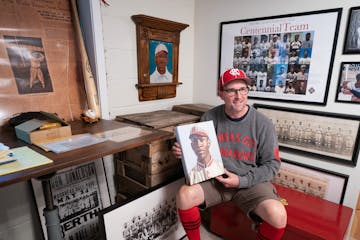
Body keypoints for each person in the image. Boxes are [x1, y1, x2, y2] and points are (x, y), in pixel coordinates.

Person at [172, 68, 287, 240]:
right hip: (216, 180)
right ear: (220, 94)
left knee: (278, 215)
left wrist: (241, 181)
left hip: (249, 182)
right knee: (184, 194)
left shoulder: (263, 124)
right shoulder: (209, 117)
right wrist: (185, 152)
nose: (238, 96)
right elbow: (201, 152)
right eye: (231, 90)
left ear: (247, 91)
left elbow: (272, 165)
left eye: (242, 89)